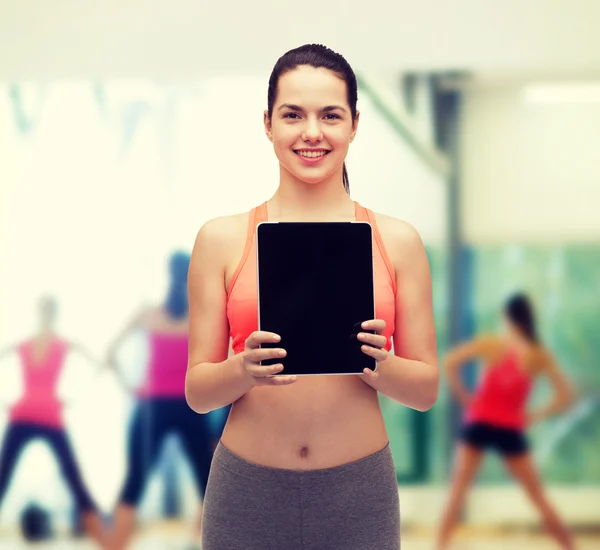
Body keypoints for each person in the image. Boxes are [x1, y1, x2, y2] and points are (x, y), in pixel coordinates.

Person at [185, 44, 440, 550]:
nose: (311, 132)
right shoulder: (221, 239)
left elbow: (426, 390)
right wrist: (243, 369)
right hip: (247, 491)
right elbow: (197, 391)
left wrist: (379, 363)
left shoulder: (398, 242)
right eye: (292, 114)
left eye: (330, 115)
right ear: (267, 123)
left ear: (354, 124)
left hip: (357, 491)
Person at [437, 293, 576, 550]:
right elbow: (566, 395)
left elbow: (449, 361)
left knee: (457, 493)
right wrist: (535, 415)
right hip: (509, 427)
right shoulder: (538, 354)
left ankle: (439, 547)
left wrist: (466, 398)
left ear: (506, 317)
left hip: (479, 422)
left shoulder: (493, 344)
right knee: (538, 497)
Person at [106, 251, 215, 550]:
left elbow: (110, 352)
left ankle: (115, 544)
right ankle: (201, 542)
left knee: (134, 482)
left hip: (152, 406)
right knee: (210, 483)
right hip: (189, 406)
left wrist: (131, 387)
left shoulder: (148, 313)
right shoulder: (200, 315)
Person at [0, 295, 107, 547]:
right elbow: (99, 365)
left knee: (74, 478)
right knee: (3, 478)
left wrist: (72, 396)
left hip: (45, 415)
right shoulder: (28, 344)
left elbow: (98, 365)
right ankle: (104, 535)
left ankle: (104, 538)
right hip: (27, 414)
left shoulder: (55, 344)